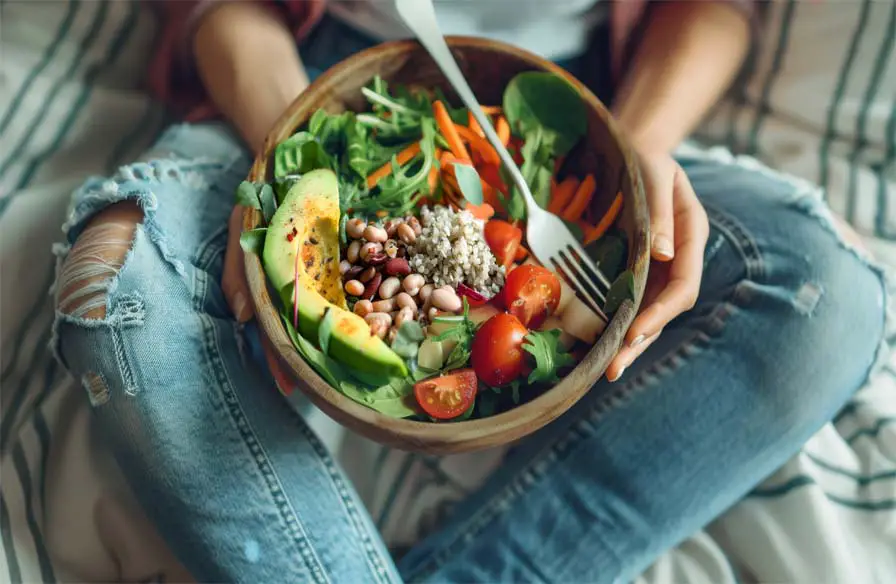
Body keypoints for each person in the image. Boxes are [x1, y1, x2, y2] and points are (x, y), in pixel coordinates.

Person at [51, 1, 887, 582]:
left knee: (828, 297)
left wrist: (635, 147)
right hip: (296, 75)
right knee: (116, 283)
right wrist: (296, 149)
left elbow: (713, 5)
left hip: (587, 110)